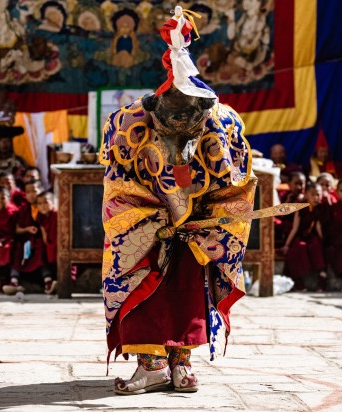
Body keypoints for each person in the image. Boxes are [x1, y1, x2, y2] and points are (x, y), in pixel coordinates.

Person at [102, 7, 257, 395]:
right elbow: (118, 186)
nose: (179, 135)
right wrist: (153, 222)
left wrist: (210, 220)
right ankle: (150, 365)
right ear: (154, 112)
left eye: (189, 123)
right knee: (145, 287)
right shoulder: (129, 126)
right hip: (146, 226)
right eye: (170, 123)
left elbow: (235, 185)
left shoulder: (222, 128)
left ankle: (181, 364)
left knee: (189, 291)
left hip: (195, 230)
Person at [5, 179, 47, 295]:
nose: (31, 195)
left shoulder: (45, 206)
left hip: (40, 239)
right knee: (18, 249)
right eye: (28, 192)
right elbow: (17, 229)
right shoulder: (23, 209)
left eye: (34, 191)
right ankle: (14, 280)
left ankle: (47, 280)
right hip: (25, 239)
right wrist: (27, 229)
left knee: (40, 248)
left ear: (41, 191)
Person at [282, 182, 326, 292]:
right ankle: (298, 281)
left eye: (318, 194)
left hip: (313, 237)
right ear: (306, 195)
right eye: (313, 194)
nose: (316, 198)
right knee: (299, 247)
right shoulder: (300, 209)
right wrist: (287, 245)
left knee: (316, 245)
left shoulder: (321, 209)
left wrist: (323, 241)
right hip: (301, 237)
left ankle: (322, 278)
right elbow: (295, 228)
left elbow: (319, 227)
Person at [275, 171, 305, 248]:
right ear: (289, 184)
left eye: (301, 184)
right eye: (296, 184)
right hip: (286, 222)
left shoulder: (306, 196)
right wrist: (287, 201)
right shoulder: (284, 195)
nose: (299, 187)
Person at [38, 190, 58, 295]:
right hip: (49, 244)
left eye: (46, 202)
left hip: (57, 243)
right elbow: (44, 235)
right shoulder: (41, 217)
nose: (43, 206)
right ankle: (49, 282)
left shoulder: (57, 214)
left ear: (53, 202)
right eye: (40, 204)